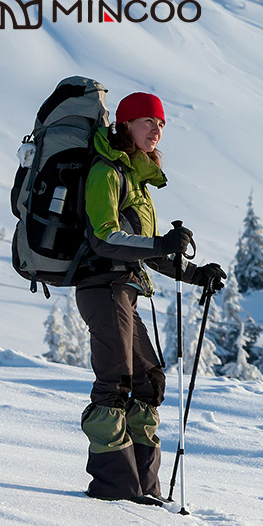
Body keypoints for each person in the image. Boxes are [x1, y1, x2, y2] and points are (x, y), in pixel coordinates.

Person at [76, 91, 225, 504]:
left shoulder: (136, 180)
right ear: (125, 124)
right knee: (115, 382)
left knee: (149, 381)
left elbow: (147, 250)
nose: (156, 129)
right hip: (103, 288)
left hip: (125, 291)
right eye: (147, 121)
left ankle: (144, 487)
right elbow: (105, 237)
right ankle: (116, 490)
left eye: (160, 123)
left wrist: (197, 274)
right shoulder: (106, 172)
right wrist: (160, 243)